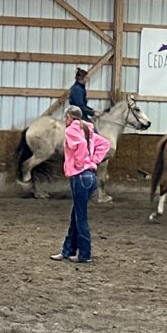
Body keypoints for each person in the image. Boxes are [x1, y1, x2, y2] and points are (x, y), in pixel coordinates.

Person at [54, 107, 111, 266]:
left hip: (80, 176)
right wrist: (93, 161)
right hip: (90, 176)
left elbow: (79, 146)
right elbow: (105, 144)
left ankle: (84, 254)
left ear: (68, 117)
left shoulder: (71, 130)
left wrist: (81, 164)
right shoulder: (88, 129)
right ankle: (68, 251)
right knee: (76, 216)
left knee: (80, 218)